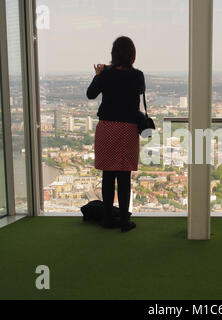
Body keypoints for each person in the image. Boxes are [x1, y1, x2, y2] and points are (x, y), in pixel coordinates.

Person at [87, 36, 145, 232]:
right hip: (128, 129)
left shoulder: (105, 74)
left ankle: (107, 220)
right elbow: (138, 93)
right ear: (132, 55)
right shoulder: (138, 76)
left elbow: (90, 94)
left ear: (113, 54)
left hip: (107, 128)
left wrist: (99, 73)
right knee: (124, 176)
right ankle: (124, 221)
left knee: (108, 174)